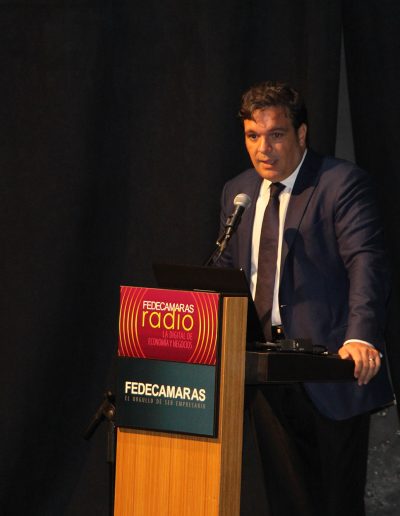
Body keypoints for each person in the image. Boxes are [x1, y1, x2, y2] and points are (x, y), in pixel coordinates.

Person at [216, 81, 394, 516]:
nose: (263, 149)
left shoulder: (340, 184)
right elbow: (227, 273)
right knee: (287, 503)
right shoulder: (238, 192)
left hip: (331, 370)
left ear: (301, 133)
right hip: (266, 373)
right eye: (252, 136)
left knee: (335, 504)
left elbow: (366, 263)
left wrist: (360, 337)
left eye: (275, 134)